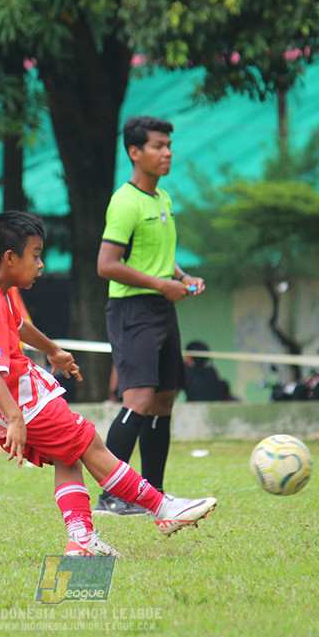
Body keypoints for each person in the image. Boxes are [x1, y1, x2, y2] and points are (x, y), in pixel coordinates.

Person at [0, 210, 216, 556]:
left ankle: (81, 538)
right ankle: (163, 508)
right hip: (12, 396)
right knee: (89, 442)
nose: (41, 264)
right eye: (35, 255)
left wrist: (54, 352)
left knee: (68, 455)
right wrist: (15, 417)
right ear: (10, 257)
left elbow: (18, 326)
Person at [95, 115, 204, 516]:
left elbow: (158, 256)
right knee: (138, 398)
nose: (167, 152)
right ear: (134, 152)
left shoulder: (163, 199)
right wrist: (161, 284)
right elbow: (107, 264)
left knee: (163, 400)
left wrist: (180, 276)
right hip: (132, 309)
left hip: (161, 307)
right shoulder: (125, 202)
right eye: (158, 146)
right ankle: (111, 495)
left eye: (169, 145)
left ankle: (150, 495)